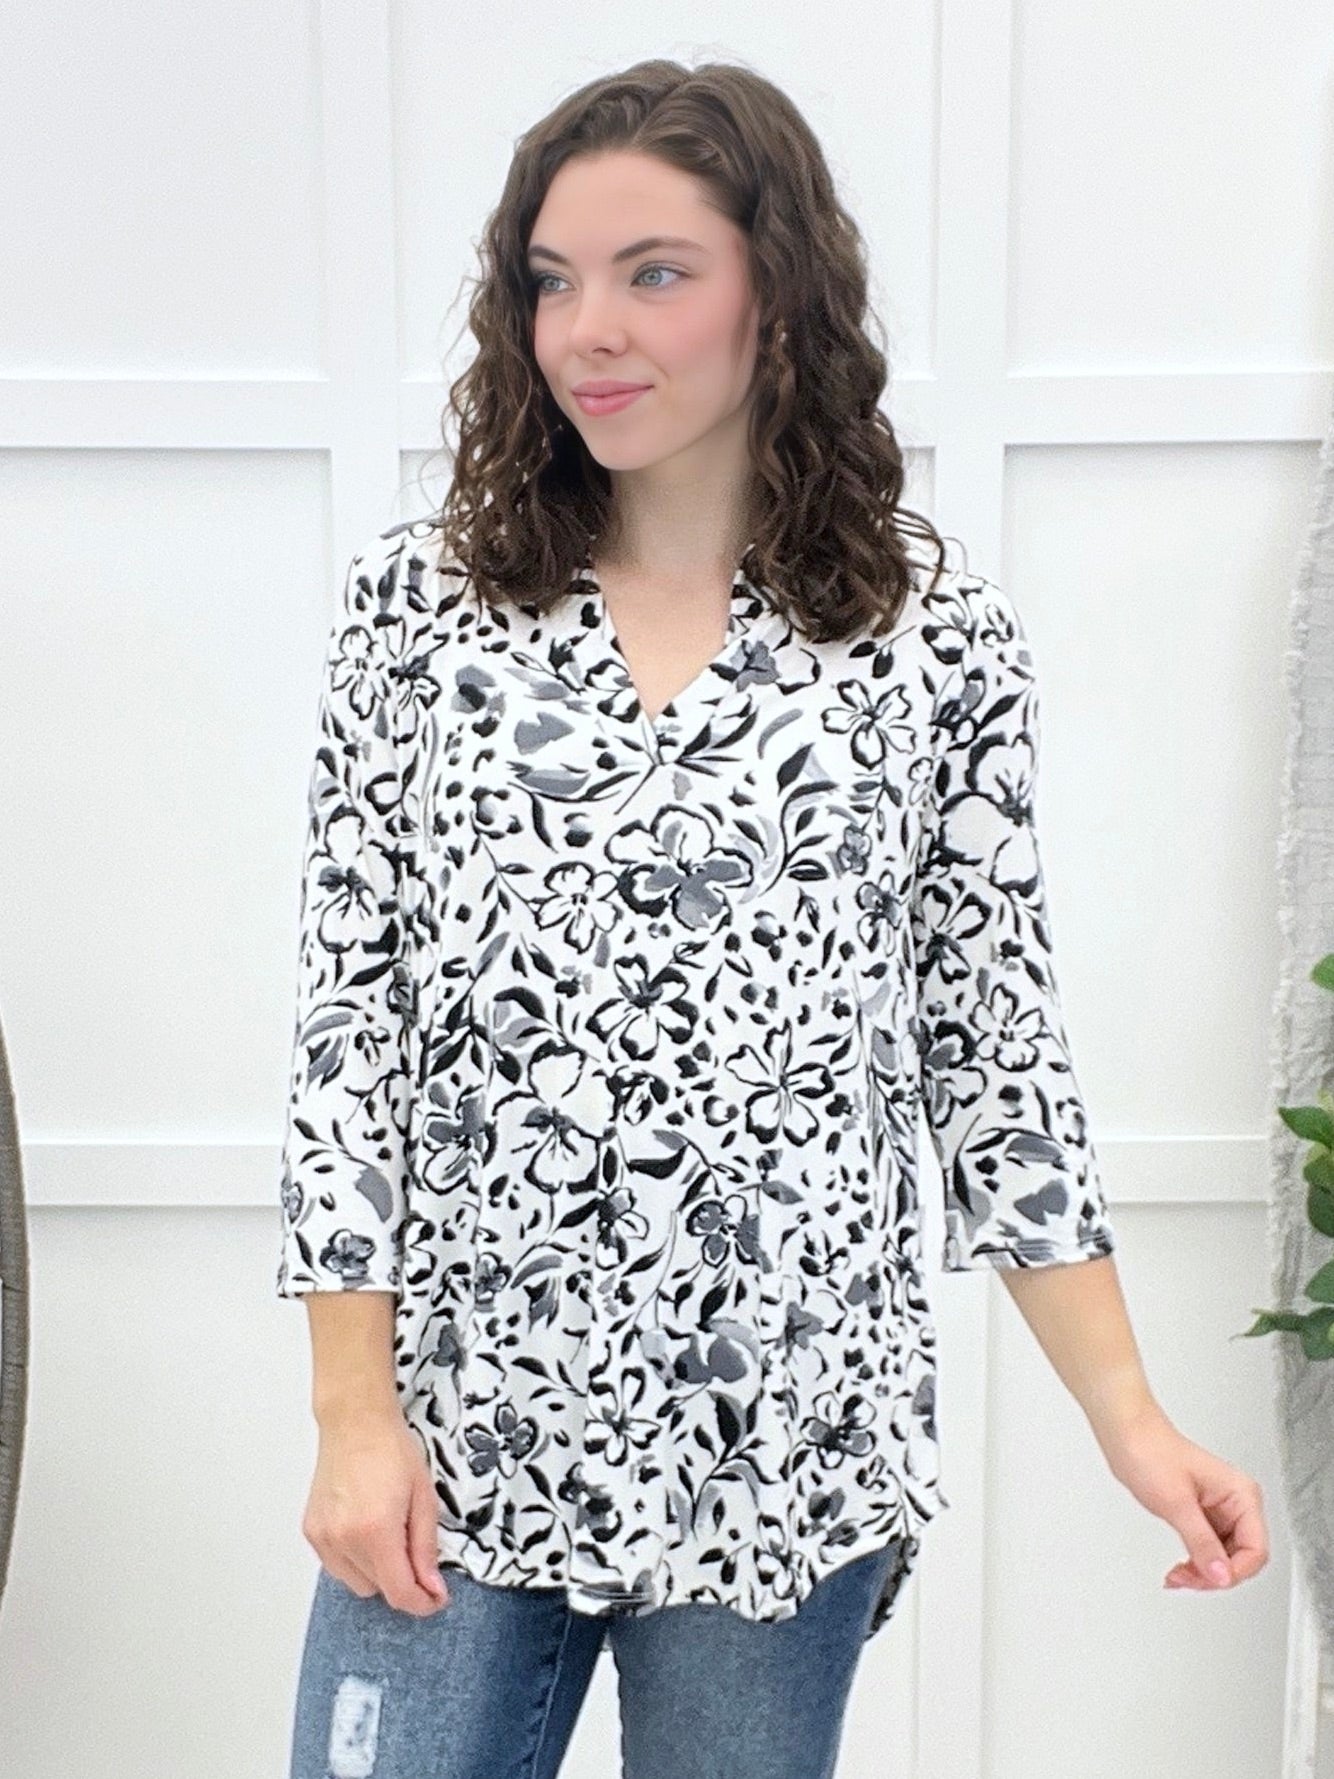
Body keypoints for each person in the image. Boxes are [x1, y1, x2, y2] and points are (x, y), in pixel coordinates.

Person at [277, 57, 1268, 1779]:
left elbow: (993, 1056)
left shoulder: (928, 637)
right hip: (462, 1434)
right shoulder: (418, 611)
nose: (589, 328)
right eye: (551, 280)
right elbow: (349, 1034)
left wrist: (1131, 1421)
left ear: (780, 295)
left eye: (654, 272)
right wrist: (351, 1418)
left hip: (787, 1452)